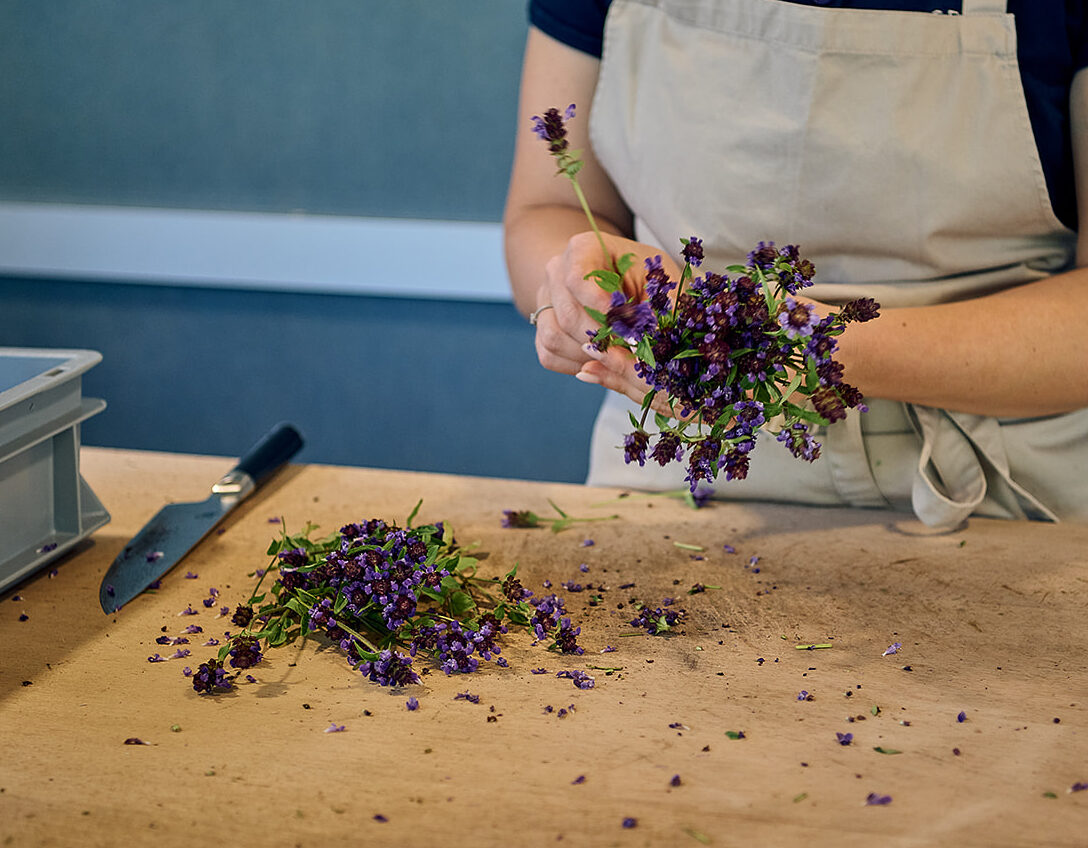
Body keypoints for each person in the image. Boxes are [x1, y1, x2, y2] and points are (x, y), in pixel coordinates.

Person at [503, 0, 1088, 530]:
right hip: (688, 465)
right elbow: (545, 209)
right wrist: (580, 295)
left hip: (1005, 486)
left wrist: (803, 350)